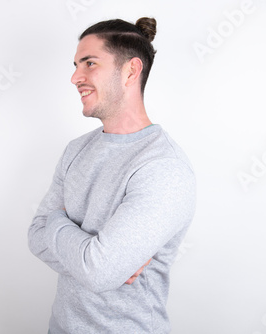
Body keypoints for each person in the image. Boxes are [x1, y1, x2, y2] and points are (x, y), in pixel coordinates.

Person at [28, 17, 196, 334]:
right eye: (77, 64)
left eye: (90, 63)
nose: (75, 77)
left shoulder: (163, 168)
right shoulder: (76, 150)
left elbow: (100, 272)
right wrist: (92, 259)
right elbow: (35, 237)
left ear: (131, 71)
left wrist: (56, 222)